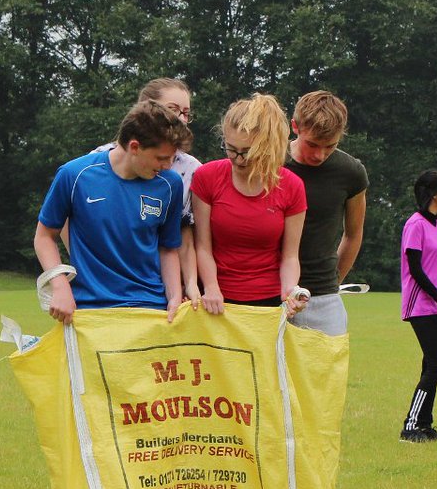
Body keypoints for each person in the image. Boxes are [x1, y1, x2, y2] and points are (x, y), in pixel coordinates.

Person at [34, 100, 191, 324]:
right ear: (134, 147)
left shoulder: (170, 184)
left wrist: (174, 296)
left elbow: (167, 249)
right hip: (91, 310)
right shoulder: (74, 174)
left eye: (172, 159)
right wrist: (59, 284)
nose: (167, 166)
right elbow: (44, 236)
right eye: (161, 158)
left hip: (152, 311)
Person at [66, 78, 204, 305]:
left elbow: (183, 235)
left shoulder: (191, 169)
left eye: (186, 113)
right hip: (102, 291)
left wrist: (187, 284)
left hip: (158, 292)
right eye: (173, 109)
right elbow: (66, 218)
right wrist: (86, 264)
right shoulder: (94, 162)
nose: (181, 118)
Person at [192, 94, 308, 315]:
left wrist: (290, 291)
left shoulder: (292, 186)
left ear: (268, 147)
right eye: (230, 148)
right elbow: (202, 247)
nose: (237, 158)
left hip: (269, 303)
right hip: (215, 302)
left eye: (246, 152)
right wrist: (211, 287)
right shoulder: (206, 177)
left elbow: (290, 256)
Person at [285, 90, 369, 336]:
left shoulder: (351, 172)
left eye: (330, 146)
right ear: (295, 127)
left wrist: (333, 282)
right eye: (312, 144)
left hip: (323, 297)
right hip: (268, 293)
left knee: (325, 372)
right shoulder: (271, 162)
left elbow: (353, 234)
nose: (319, 155)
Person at [399, 170, 437, 442]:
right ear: (433, 193)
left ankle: (425, 425)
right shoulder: (415, 224)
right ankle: (410, 426)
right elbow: (416, 270)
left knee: (430, 366)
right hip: (422, 305)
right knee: (436, 366)